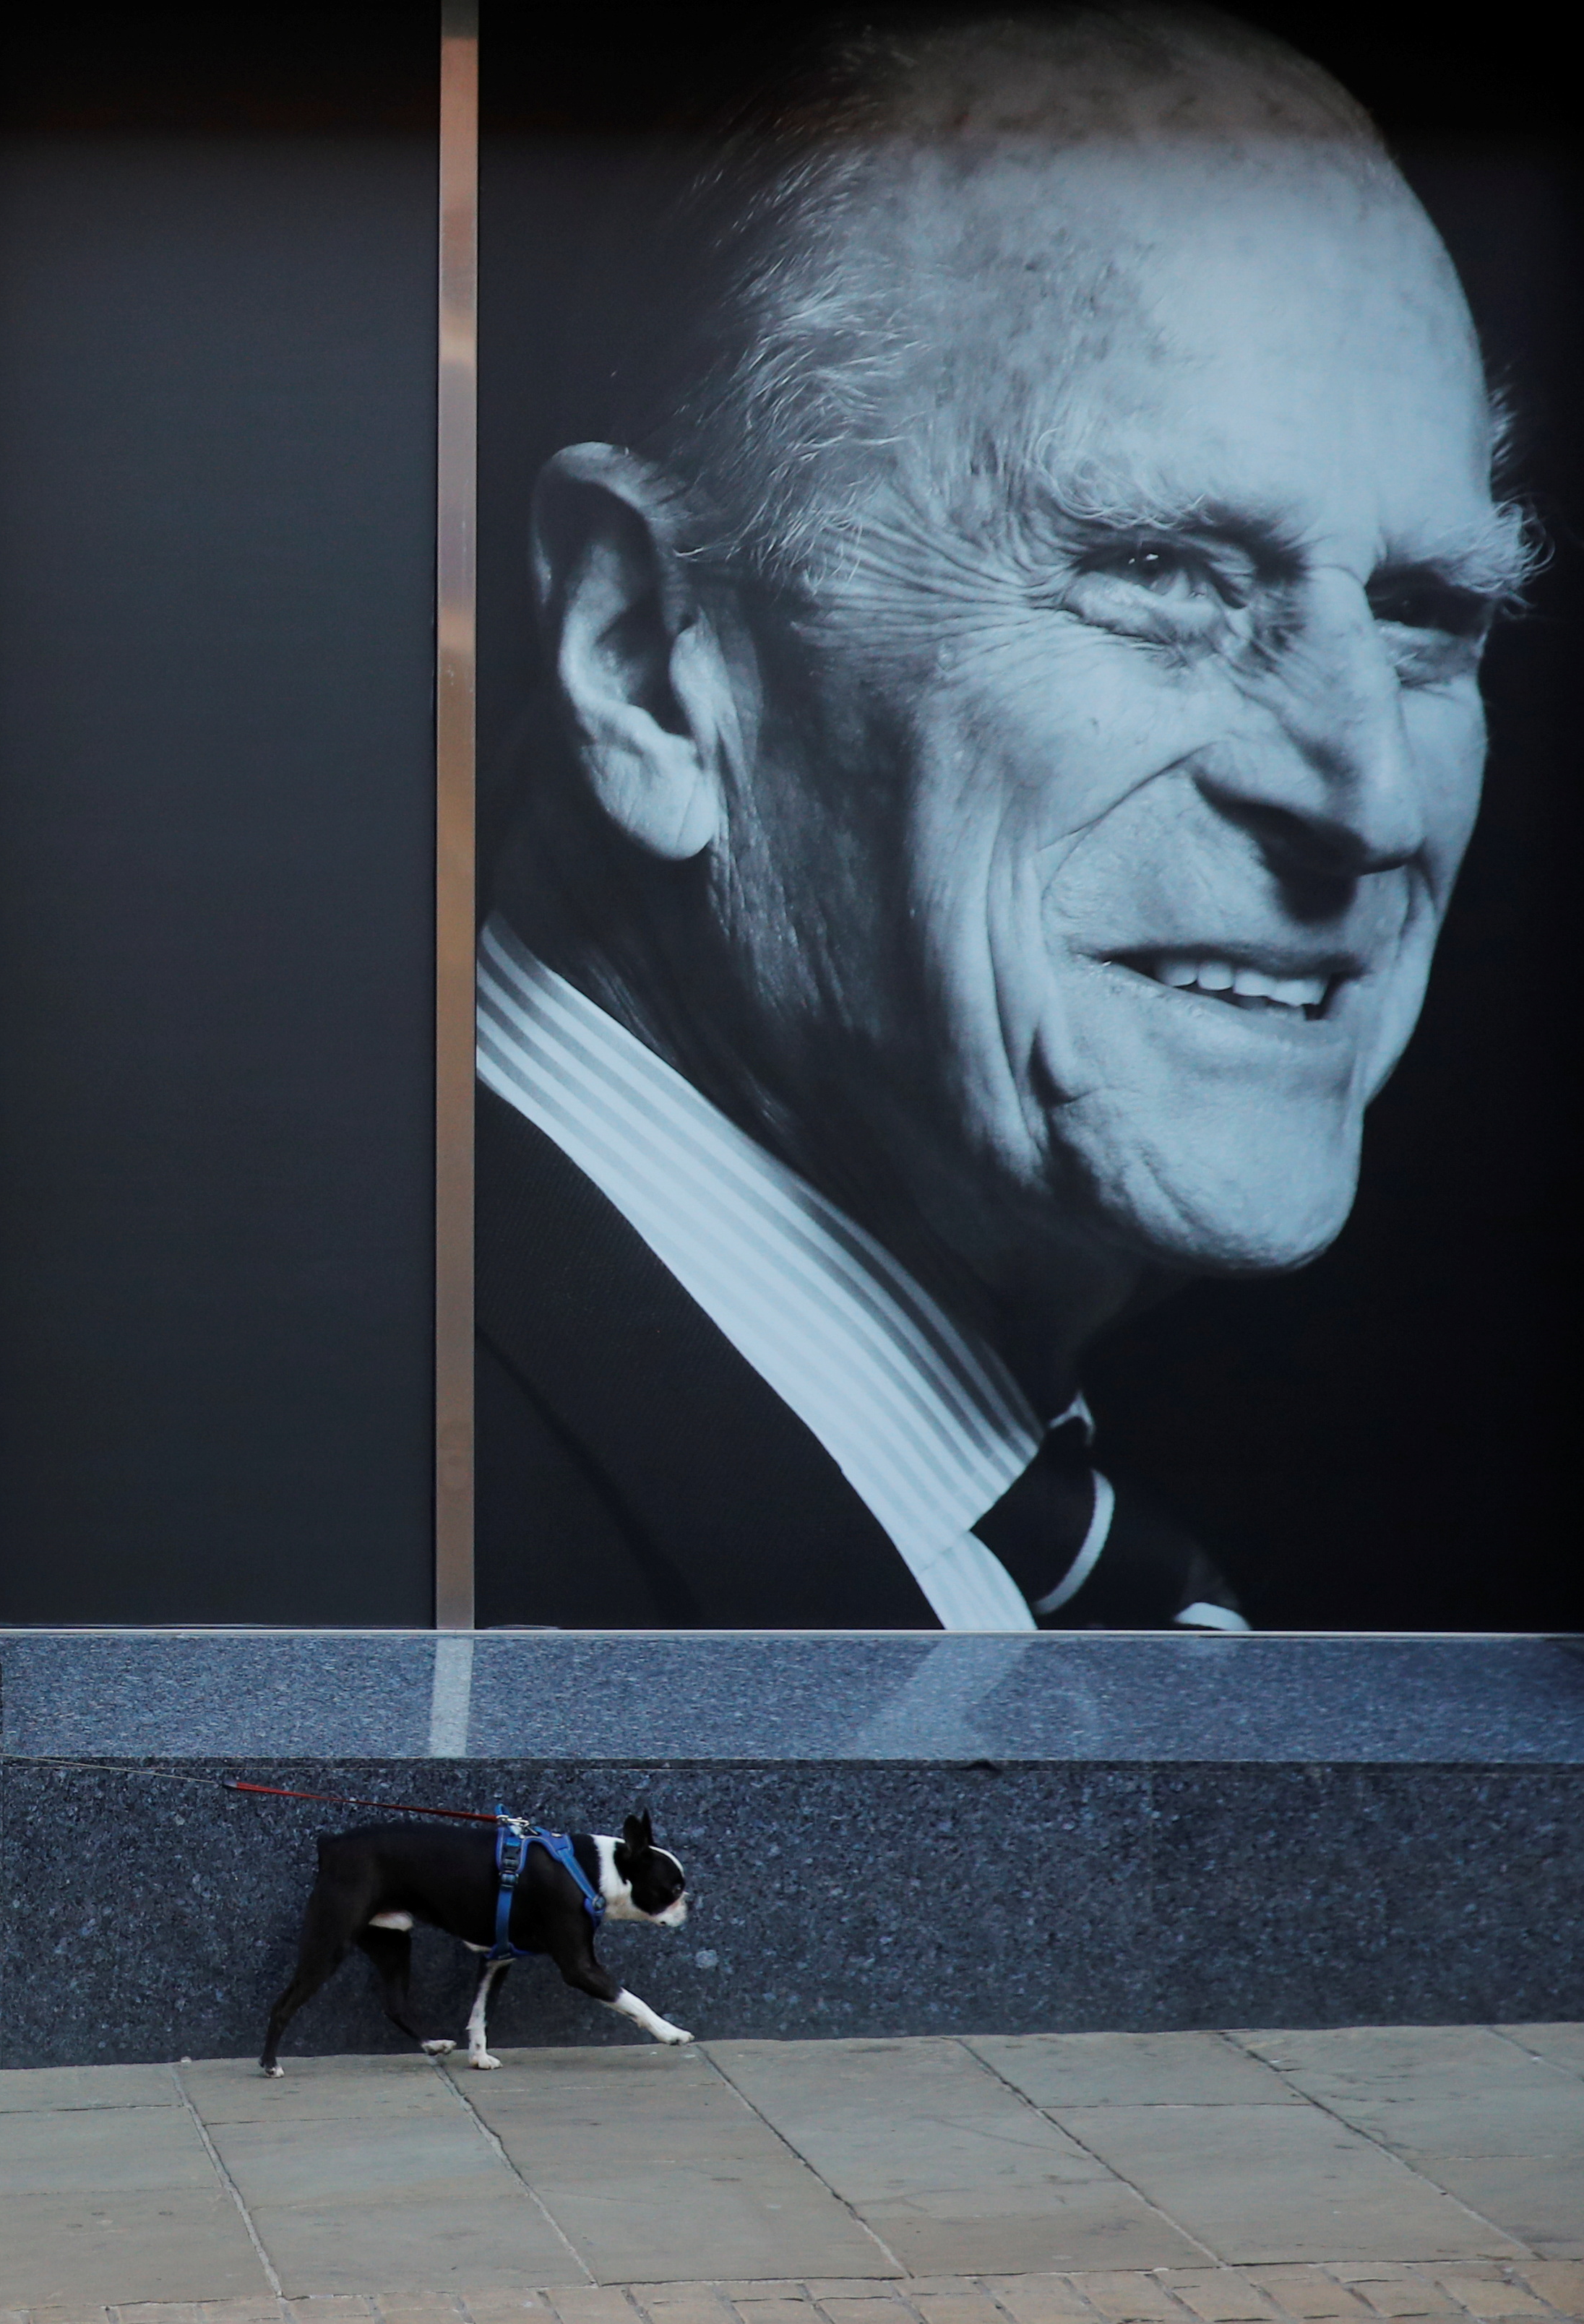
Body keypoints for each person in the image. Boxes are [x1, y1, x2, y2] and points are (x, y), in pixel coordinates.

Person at [476, 4, 1534, 1628]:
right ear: (646, 665)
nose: (1371, 798)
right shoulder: (354, 1538)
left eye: (1425, 616)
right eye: (1160, 575)